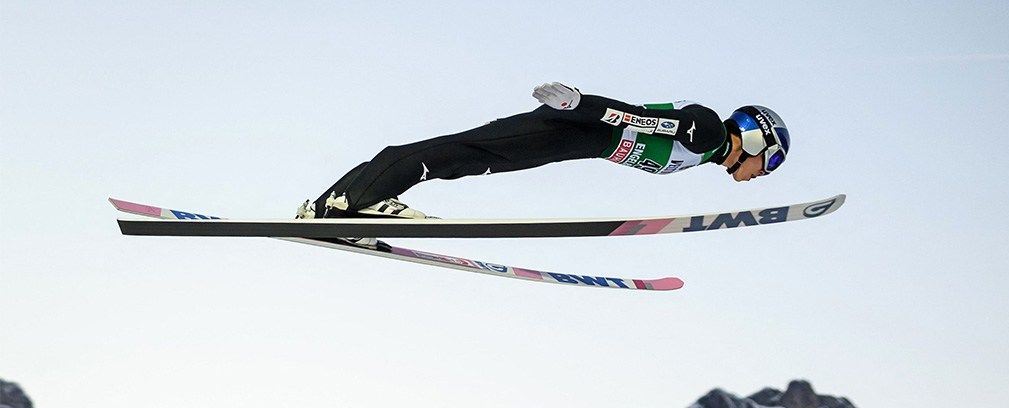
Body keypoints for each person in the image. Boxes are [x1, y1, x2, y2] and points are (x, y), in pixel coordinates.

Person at [297, 83, 790, 246]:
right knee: (453, 153)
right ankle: (356, 203)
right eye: (768, 161)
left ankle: (332, 209)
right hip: (573, 128)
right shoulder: (708, 131)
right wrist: (581, 104)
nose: (762, 173)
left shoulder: (705, 152)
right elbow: (642, 120)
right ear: (754, 139)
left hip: (576, 141)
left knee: (460, 158)